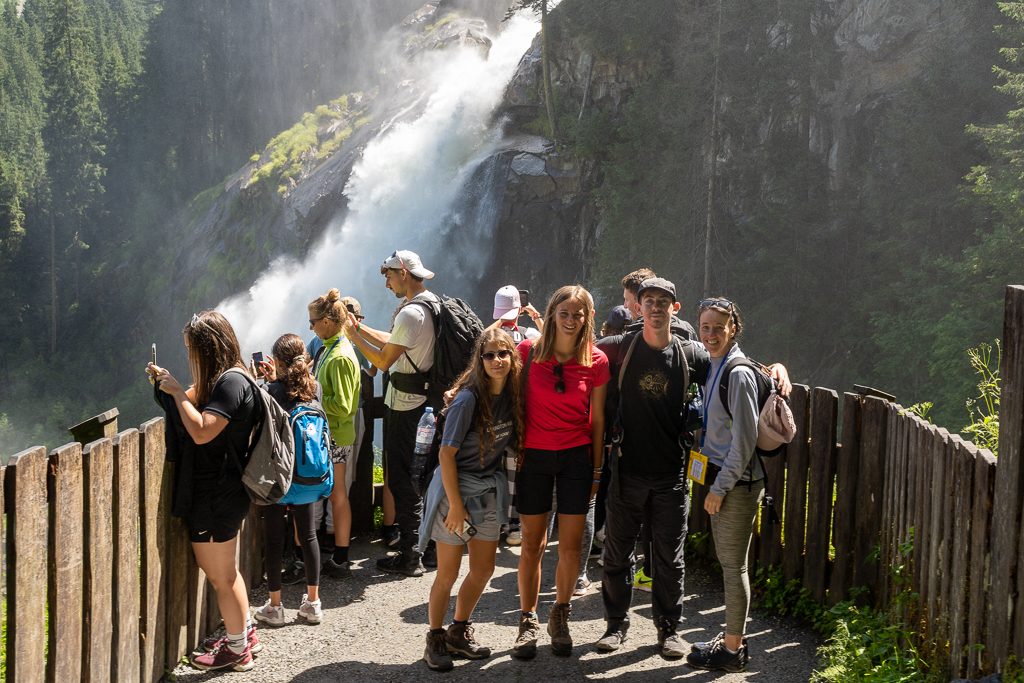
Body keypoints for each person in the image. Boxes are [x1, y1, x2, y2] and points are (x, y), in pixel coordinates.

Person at [595, 278, 708, 657]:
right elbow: (571, 354)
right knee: (616, 555)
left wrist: (775, 369)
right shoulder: (619, 347)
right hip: (626, 471)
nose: (656, 307)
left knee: (669, 560)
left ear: (675, 309)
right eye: (649, 301)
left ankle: (668, 630)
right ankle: (616, 625)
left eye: (663, 302)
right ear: (638, 307)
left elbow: (733, 362)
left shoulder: (693, 356)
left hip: (672, 474)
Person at [147, 311, 261, 672]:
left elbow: (201, 431)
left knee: (220, 577)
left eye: (192, 350)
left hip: (217, 493)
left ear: (208, 348)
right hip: (223, 490)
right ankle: (244, 633)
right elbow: (194, 404)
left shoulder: (230, 384)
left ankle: (237, 650)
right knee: (228, 573)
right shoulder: (233, 377)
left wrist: (178, 390)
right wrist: (170, 385)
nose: (189, 358)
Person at [418, 328, 524, 671]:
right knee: (447, 572)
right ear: (480, 360)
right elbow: (446, 455)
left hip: (488, 490)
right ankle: (434, 637)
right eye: (489, 354)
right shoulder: (468, 399)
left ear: (512, 358)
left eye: (503, 353)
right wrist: (456, 506)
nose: (497, 360)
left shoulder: (513, 395)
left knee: (483, 569)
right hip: (455, 491)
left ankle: (458, 632)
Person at [512, 285, 609, 659]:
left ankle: (560, 615)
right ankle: (527, 621)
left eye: (577, 314)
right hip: (534, 457)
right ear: (552, 314)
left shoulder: (596, 361)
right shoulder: (528, 353)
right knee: (532, 546)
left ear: (588, 318)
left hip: (575, 459)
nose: (570, 320)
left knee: (570, 549)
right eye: (564, 313)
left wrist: (597, 472)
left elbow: (597, 420)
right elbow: (501, 391)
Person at [687, 298, 773, 672]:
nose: (710, 335)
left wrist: (719, 489)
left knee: (733, 566)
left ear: (733, 328)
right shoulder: (716, 364)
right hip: (726, 477)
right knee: (729, 564)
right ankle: (731, 638)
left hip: (736, 483)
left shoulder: (736, 372)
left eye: (718, 328)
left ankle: (732, 651)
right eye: (704, 327)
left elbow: (745, 438)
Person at [343, 249, 440, 577]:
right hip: (426, 404)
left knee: (402, 479)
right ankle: (428, 549)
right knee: (422, 475)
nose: (386, 283)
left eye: (388, 275)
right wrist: (361, 327)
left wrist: (352, 335)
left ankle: (410, 555)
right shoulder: (431, 304)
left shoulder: (411, 313)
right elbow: (396, 342)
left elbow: (384, 360)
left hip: (406, 407)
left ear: (403, 273)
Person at [252, 334, 325, 625]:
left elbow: (262, 418)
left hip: (278, 475)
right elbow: (293, 388)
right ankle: (314, 604)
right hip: (306, 474)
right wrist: (277, 378)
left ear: (278, 362)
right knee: (308, 535)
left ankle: (275, 607)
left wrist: (267, 382)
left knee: (274, 537)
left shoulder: (271, 390)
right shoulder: (314, 388)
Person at [309, 288, 362, 579]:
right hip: (330, 435)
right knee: (334, 494)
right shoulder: (330, 346)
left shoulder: (340, 356)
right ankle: (336, 556)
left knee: (337, 495)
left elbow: (342, 407)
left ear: (327, 322)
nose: (311, 327)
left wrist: (311, 396)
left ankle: (341, 558)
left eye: (313, 322)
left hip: (336, 436)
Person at [488, 285, 542, 547]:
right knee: (514, 470)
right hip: (521, 411)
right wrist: (535, 315)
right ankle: (514, 526)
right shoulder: (530, 334)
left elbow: (480, 342)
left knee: (490, 465)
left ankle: (492, 522)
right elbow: (549, 336)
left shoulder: (491, 339)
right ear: (520, 310)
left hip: (494, 409)